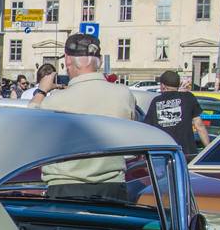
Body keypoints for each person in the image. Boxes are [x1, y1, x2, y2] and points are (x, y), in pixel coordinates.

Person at [37, 34, 139, 199]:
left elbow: (32, 131)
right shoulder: (123, 94)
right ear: (98, 60)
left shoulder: (55, 101)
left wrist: (41, 91)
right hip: (112, 186)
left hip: (65, 187)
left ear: (68, 61)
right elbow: (131, 149)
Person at [143, 69, 209, 156]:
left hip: (163, 153)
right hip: (186, 153)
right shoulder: (188, 98)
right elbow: (199, 125)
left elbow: (148, 129)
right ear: (178, 85)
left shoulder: (156, 101)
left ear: (163, 85)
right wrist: (208, 149)